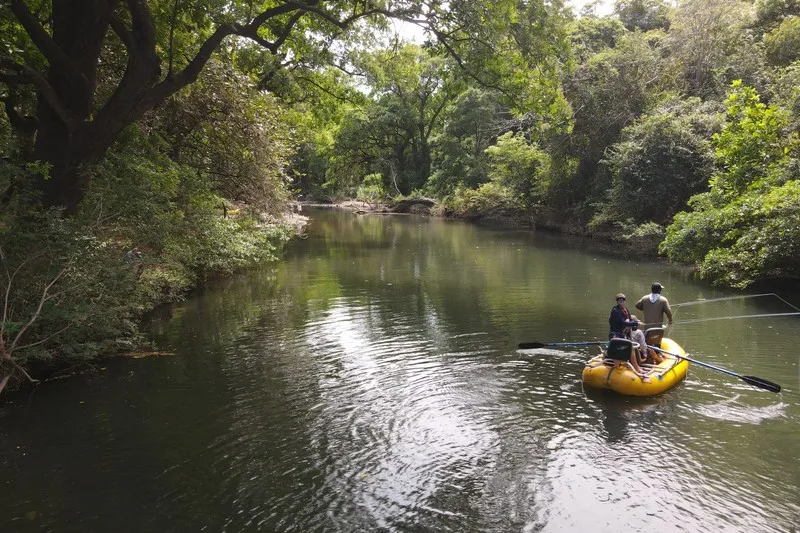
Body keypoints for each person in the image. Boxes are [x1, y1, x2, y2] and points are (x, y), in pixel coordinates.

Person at [608, 293, 648, 378]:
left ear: (624, 301)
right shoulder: (615, 311)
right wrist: (636, 323)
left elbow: (629, 319)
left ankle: (637, 368)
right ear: (617, 301)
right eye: (619, 300)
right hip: (615, 335)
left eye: (622, 300)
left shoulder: (625, 310)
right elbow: (624, 323)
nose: (621, 301)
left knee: (631, 348)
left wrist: (636, 323)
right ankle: (616, 368)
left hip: (622, 334)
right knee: (618, 348)